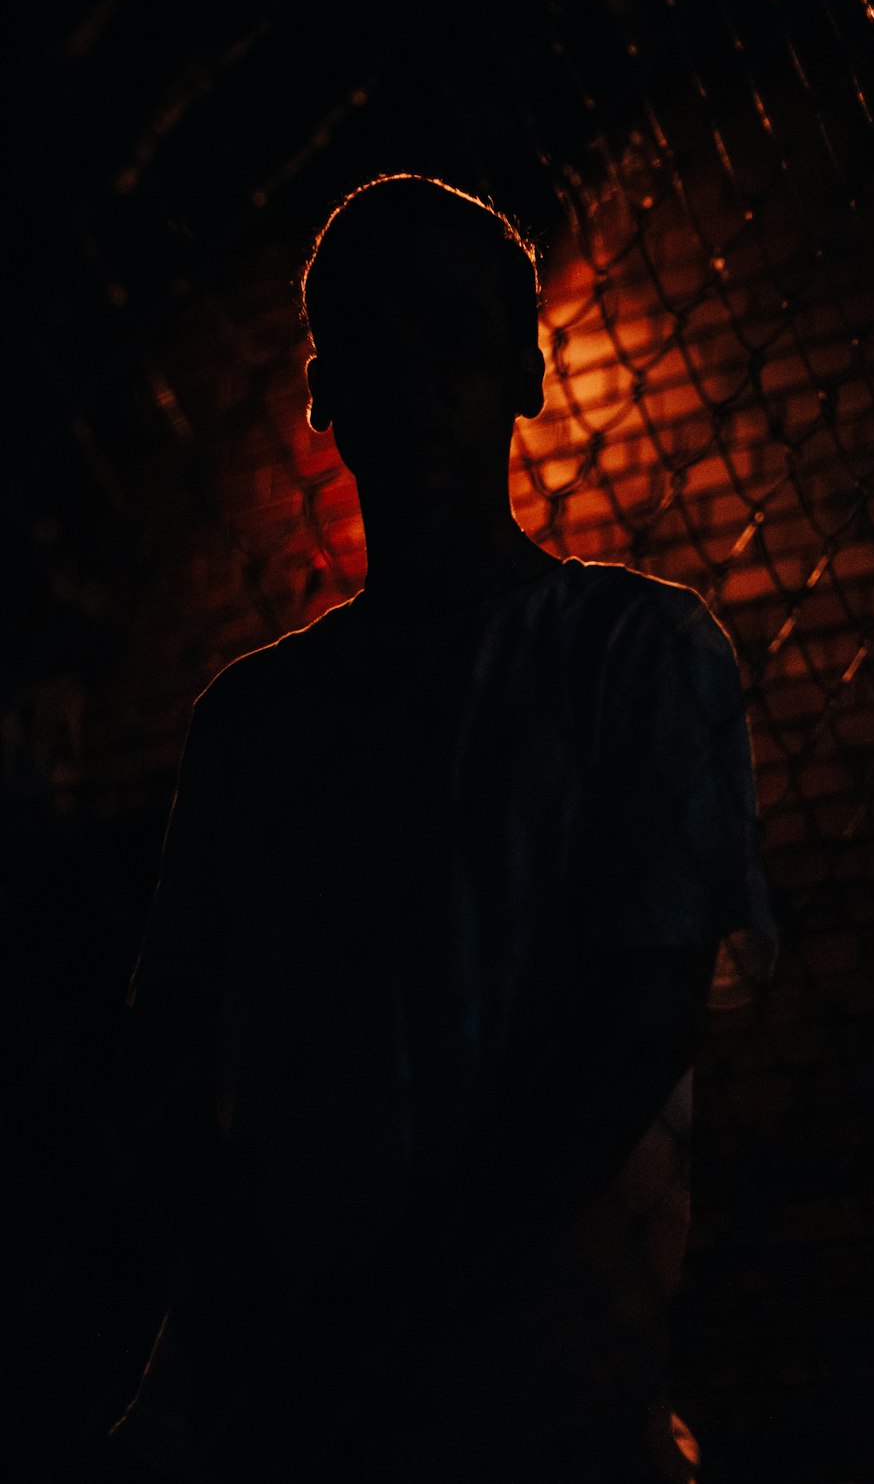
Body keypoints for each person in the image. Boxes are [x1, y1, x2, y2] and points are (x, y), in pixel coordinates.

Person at [109, 174, 776, 1482]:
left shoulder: (633, 652)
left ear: (532, 372)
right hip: (322, 1390)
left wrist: (374, 1320)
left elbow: (645, 1015)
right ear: (322, 392)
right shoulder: (252, 720)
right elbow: (170, 1056)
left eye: (452, 327)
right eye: (368, 337)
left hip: (538, 1399)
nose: (412, 370)